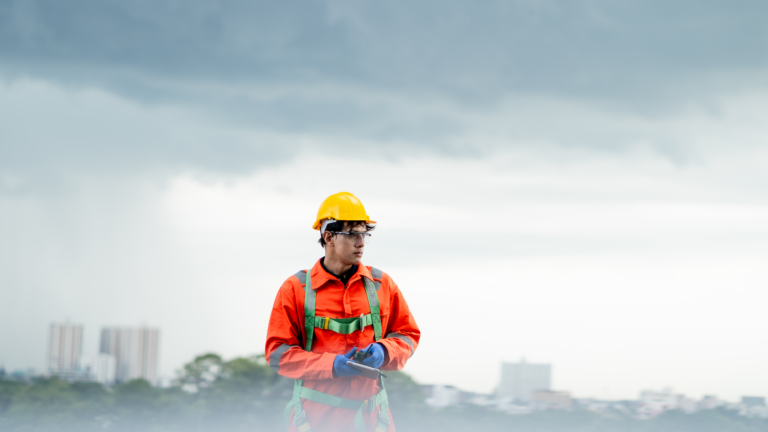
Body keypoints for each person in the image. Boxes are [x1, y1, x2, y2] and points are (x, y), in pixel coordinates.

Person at [266, 192, 420, 432]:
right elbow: (277, 354)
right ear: (328, 236)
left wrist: (384, 350)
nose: (361, 242)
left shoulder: (381, 284)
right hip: (315, 421)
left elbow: (408, 336)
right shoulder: (296, 289)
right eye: (352, 234)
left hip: (373, 420)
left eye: (364, 234)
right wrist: (331, 365)